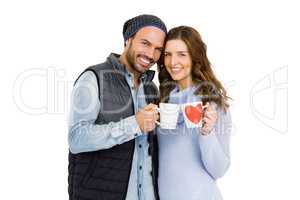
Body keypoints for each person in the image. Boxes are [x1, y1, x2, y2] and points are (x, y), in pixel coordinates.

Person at [68, 14, 167, 200]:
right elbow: (76, 139)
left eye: (158, 49)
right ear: (128, 40)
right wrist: (133, 125)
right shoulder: (93, 78)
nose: (151, 55)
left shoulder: (151, 89)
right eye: (145, 43)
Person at [157, 26, 232, 200]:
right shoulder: (164, 100)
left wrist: (207, 132)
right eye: (168, 54)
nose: (173, 62)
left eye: (181, 54)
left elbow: (219, 170)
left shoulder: (212, 103)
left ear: (195, 57)